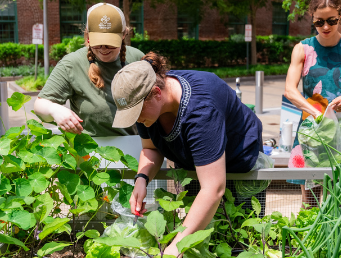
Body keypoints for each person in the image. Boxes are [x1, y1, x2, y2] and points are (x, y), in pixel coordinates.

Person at [111, 52, 265, 256]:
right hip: (198, 168)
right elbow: (151, 148)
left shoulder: (200, 111)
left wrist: (175, 247)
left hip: (239, 164)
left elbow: (213, 188)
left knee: (237, 242)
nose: (136, 120)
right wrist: (142, 179)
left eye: (137, 113)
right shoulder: (147, 108)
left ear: (157, 93)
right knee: (199, 240)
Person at [34, 3, 144, 136]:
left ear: (123, 34)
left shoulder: (138, 58)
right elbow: (40, 105)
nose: (103, 49)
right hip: (88, 151)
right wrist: (54, 109)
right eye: (98, 43)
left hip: (134, 146)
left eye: (110, 43)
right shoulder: (71, 64)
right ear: (87, 35)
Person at [285, 0, 341, 208]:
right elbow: (290, 90)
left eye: (332, 20)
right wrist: (316, 113)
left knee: (338, 202)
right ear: (312, 19)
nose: (326, 27)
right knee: (311, 203)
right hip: (312, 133)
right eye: (320, 22)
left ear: (339, 17)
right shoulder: (303, 49)